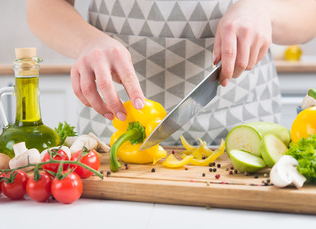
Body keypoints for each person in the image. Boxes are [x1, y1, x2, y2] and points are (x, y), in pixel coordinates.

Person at [26, 0, 316, 145]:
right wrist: (86, 41)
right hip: (115, 132)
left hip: (243, 129)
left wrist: (263, 9)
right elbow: (41, 6)